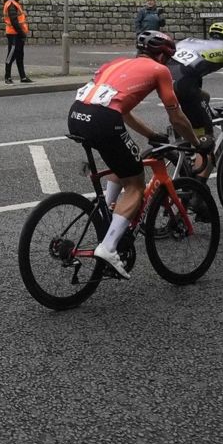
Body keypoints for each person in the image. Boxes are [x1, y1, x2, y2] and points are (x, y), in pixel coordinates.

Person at [66, 30, 199, 279]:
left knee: (125, 159)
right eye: (169, 57)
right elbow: (177, 117)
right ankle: (108, 247)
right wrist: (197, 142)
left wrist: (151, 133)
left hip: (76, 115)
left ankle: (107, 212)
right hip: (103, 121)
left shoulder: (116, 63)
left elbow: (123, 111)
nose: (169, 62)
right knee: (136, 185)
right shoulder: (160, 71)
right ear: (162, 55)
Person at [2, 0, 32, 83]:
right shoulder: (11, 4)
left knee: (19, 55)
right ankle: (7, 77)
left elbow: (18, 18)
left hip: (17, 33)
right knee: (11, 55)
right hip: (13, 33)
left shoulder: (15, 3)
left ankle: (22, 77)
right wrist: (22, 33)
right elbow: (14, 21)